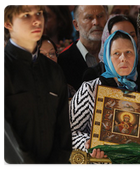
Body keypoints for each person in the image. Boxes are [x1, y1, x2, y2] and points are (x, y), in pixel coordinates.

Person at [70, 30, 140, 165]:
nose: (123, 58)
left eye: (128, 52)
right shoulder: (90, 90)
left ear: (136, 55)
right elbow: (70, 133)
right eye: (116, 53)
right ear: (107, 56)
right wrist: (88, 143)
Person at [2, 3, 72, 164]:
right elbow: (4, 136)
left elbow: (63, 131)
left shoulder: (54, 70)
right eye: (26, 15)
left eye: (39, 13)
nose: (36, 21)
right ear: (7, 23)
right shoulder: (4, 69)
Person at [82, 15, 140, 88]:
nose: (125, 40)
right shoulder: (92, 78)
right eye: (118, 35)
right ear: (107, 40)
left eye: (131, 36)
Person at [57, 3, 108, 91]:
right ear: (76, 25)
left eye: (100, 16)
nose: (96, 22)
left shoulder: (115, 53)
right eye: (89, 18)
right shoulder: (63, 60)